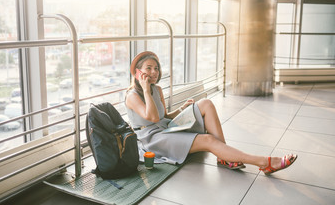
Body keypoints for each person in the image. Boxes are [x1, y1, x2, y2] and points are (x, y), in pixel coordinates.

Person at [125, 51, 297, 174]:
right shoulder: (132, 96)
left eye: (156, 68)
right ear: (137, 72)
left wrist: (181, 109)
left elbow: (163, 117)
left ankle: (224, 156)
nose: (154, 72)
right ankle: (265, 162)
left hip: (165, 128)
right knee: (207, 139)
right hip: (152, 139)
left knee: (205, 103)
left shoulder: (158, 90)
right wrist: (146, 91)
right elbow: (152, 118)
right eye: (148, 68)